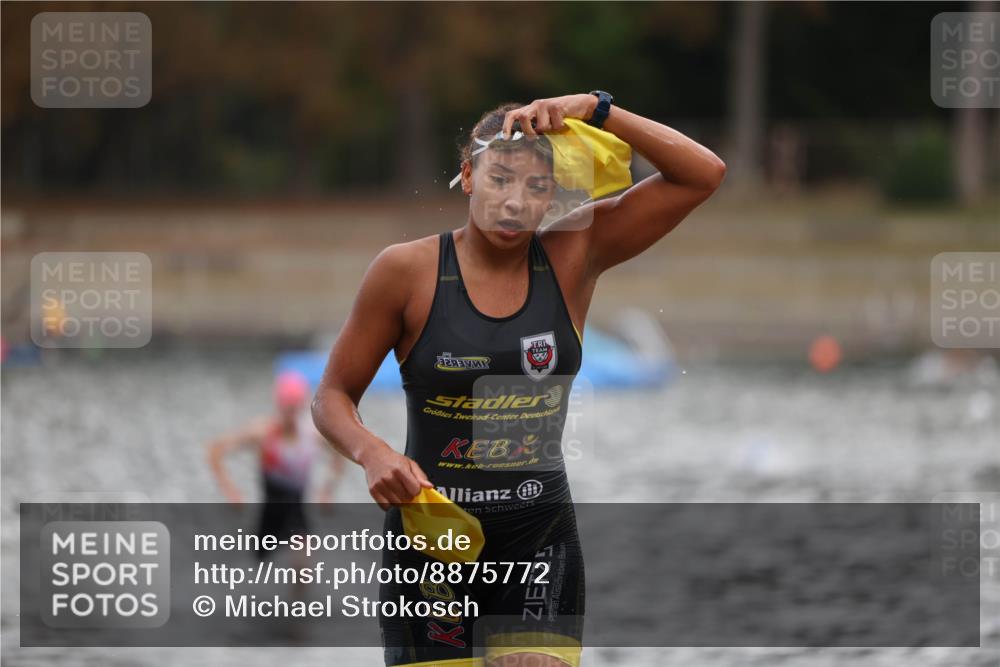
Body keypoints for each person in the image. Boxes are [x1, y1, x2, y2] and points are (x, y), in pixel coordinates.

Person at [311, 92, 725, 667]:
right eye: (500, 179)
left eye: (536, 187)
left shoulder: (575, 253)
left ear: (552, 195)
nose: (515, 202)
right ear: (468, 176)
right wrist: (372, 453)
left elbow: (702, 174)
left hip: (539, 537)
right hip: (434, 541)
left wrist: (595, 108)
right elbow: (332, 396)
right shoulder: (406, 271)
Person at [208, 371, 345, 565]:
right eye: (287, 409)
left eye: (295, 409)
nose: (291, 416)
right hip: (270, 508)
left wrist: (327, 490)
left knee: (304, 557)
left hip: (296, 507)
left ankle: (297, 585)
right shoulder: (263, 432)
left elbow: (339, 455)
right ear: (279, 406)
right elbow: (215, 450)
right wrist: (230, 490)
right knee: (258, 561)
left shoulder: (312, 435)